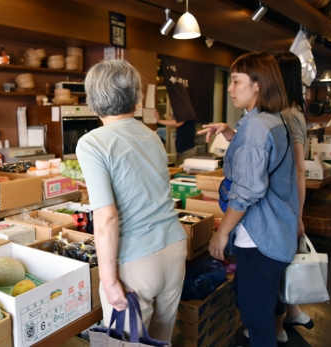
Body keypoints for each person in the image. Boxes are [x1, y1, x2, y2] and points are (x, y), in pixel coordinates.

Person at [75, 60, 188, 342]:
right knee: (162, 338)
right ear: (135, 100)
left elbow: (106, 217)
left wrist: (109, 280)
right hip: (174, 249)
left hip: (136, 262)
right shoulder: (152, 136)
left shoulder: (92, 142)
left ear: (92, 102)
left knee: (123, 343)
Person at [198, 51, 299, 347]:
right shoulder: (270, 120)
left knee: (256, 318)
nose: (230, 89)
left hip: (259, 238)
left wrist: (222, 232)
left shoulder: (256, 127)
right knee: (259, 306)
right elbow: (259, 160)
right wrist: (230, 134)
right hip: (276, 232)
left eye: (236, 81)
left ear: (258, 84)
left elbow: (246, 192)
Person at [272, 51, 314, 332]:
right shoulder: (292, 109)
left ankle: (276, 329)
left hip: (286, 202)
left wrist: (298, 215)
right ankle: (293, 312)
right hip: (286, 201)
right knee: (283, 260)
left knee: (277, 262)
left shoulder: (289, 114)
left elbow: (300, 169)